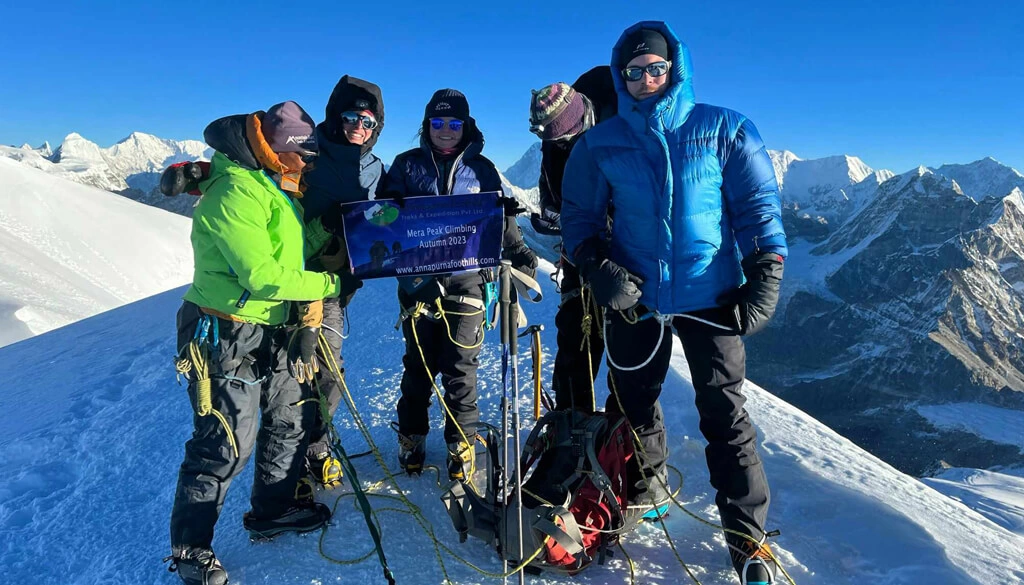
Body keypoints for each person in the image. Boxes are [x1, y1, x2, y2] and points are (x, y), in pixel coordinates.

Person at [560, 21, 787, 585]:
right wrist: (594, 266)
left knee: (725, 414)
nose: (644, 80)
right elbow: (579, 220)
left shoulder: (725, 130)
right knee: (633, 407)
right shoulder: (600, 143)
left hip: (712, 295)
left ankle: (749, 542)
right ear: (620, 76)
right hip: (636, 298)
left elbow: (758, 210)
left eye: (654, 69)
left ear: (674, 69)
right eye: (633, 72)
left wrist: (766, 273)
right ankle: (645, 489)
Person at [167, 101, 362, 585]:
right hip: (223, 330)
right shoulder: (235, 190)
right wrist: (330, 286)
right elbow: (263, 275)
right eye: (302, 153)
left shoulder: (268, 183)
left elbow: (286, 247)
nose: (307, 162)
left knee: (290, 416)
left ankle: (272, 509)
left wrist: (336, 229)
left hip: (270, 327)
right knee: (226, 441)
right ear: (277, 149)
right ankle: (191, 549)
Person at [386, 89, 538, 480]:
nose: (446, 131)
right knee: (419, 365)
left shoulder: (483, 169)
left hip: (468, 280)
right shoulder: (405, 166)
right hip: (417, 282)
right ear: (427, 125)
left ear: (465, 125)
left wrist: (516, 249)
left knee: (460, 366)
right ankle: (412, 436)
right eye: (439, 123)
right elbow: (384, 218)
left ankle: (461, 441)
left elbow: (497, 214)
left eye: (455, 123)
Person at [298, 75, 389, 489]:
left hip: (335, 287)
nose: (359, 126)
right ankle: (284, 465)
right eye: (352, 116)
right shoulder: (306, 153)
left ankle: (314, 449)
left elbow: (382, 220)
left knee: (328, 371)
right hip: (289, 280)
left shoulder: (374, 168)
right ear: (336, 115)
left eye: (368, 122)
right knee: (286, 374)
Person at [527, 67, 617, 413]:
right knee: (575, 334)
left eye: (565, 137)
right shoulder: (554, 146)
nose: (561, 144)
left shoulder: (620, 130)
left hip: (625, 255)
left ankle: (620, 428)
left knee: (623, 343)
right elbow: (551, 195)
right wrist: (555, 219)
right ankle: (570, 420)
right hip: (580, 254)